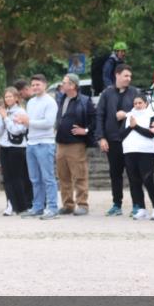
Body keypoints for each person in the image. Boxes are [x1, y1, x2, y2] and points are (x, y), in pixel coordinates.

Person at [95, 64, 139, 216]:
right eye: (126, 76)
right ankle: (116, 204)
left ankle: (137, 205)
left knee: (134, 174)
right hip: (112, 140)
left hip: (131, 140)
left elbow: (143, 111)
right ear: (117, 75)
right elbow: (99, 116)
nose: (129, 79)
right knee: (115, 174)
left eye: (130, 76)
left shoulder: (135, 93)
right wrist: (101, 138)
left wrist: (126, 114)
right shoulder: (107, 93)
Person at [14, 74, 59, 219]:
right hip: (31, 143)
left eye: (38, 84)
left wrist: (29, 122)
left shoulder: (50, 102)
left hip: (45, 143)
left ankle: (52, 208)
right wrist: (22, 121)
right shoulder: (31, 102)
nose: (35, 87)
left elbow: (48, 123)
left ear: (45, 85)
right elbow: (30, 122)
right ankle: (38, 207)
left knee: (48, 177)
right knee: (34, 178)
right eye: (33, 85)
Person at [55, 73, 96, 215]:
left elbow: (95, 120)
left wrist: (86, 130)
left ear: (72, 85)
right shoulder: (62, 99)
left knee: (80, 175)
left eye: (64, 82)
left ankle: (83, 205)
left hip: (76, 145)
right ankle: (68, 205)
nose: (62, 84)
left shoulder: (85, 101)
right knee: (63, 176)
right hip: (61, 144)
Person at [122, 94, 154, 220]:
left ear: (146, 103)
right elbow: (121, 134)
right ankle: (141, 208)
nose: (137, 106)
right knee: (135, 182)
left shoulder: (152, 115)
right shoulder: (129, 116)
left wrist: (136, 127)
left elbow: (151, 134)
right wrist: (131, 126)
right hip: (130, 151)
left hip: (146, 152)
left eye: (140, 103)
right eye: (135, 103)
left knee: (148, 180)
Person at [0, 87, 32, 216]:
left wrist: (6, 118)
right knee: (7, 178)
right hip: (4, 146)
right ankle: (10, 203)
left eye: (11, 96)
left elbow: (16, 130)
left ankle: (22, 205)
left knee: (18, 177)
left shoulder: (21, 111)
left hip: (17, 148)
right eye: (6, 97)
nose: (8, 99)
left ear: (16, 98)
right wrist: (2, 117)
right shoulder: (4, 112)